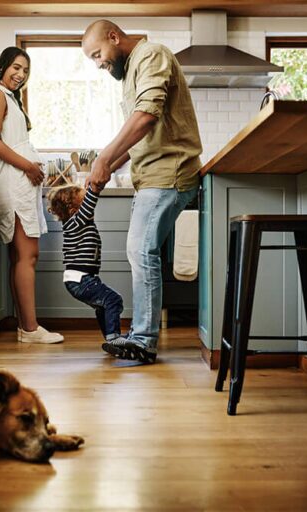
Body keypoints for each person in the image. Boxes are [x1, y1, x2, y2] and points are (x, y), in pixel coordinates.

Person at [81, 20, 202, 363]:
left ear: (114, 38)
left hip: (169, 173)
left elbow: (147, 116)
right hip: (150, 176)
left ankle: (144, 340)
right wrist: (109, 167)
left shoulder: (151, 54)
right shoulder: (132, 69)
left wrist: (105, 157)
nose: (99, 63)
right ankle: (142, 336)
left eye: (98, 54)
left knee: (140, 249)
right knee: (140, 250)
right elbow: (140, 134)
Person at [0, 46, 63, 344]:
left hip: (19, 183)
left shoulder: (9, 99)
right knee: (28, 256)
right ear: (2, 66)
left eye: (25, 71)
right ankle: (30, 329)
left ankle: (25, 327)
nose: (20, 75)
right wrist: (28, 166)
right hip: (15, 183)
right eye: (16, 67)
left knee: (21, 256)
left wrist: (32, 167)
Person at [47, 184, 125, 346]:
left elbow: (88, 205)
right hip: (81, 280)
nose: (90, 211)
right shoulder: (76, 222)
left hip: (82, 279)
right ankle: (114, 338)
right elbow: (91, 202)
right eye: (84, 204)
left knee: (103, 306)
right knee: (113, 300)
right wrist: (95, 187)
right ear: (74, 209)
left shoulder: (77, 224)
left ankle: (111, 338)